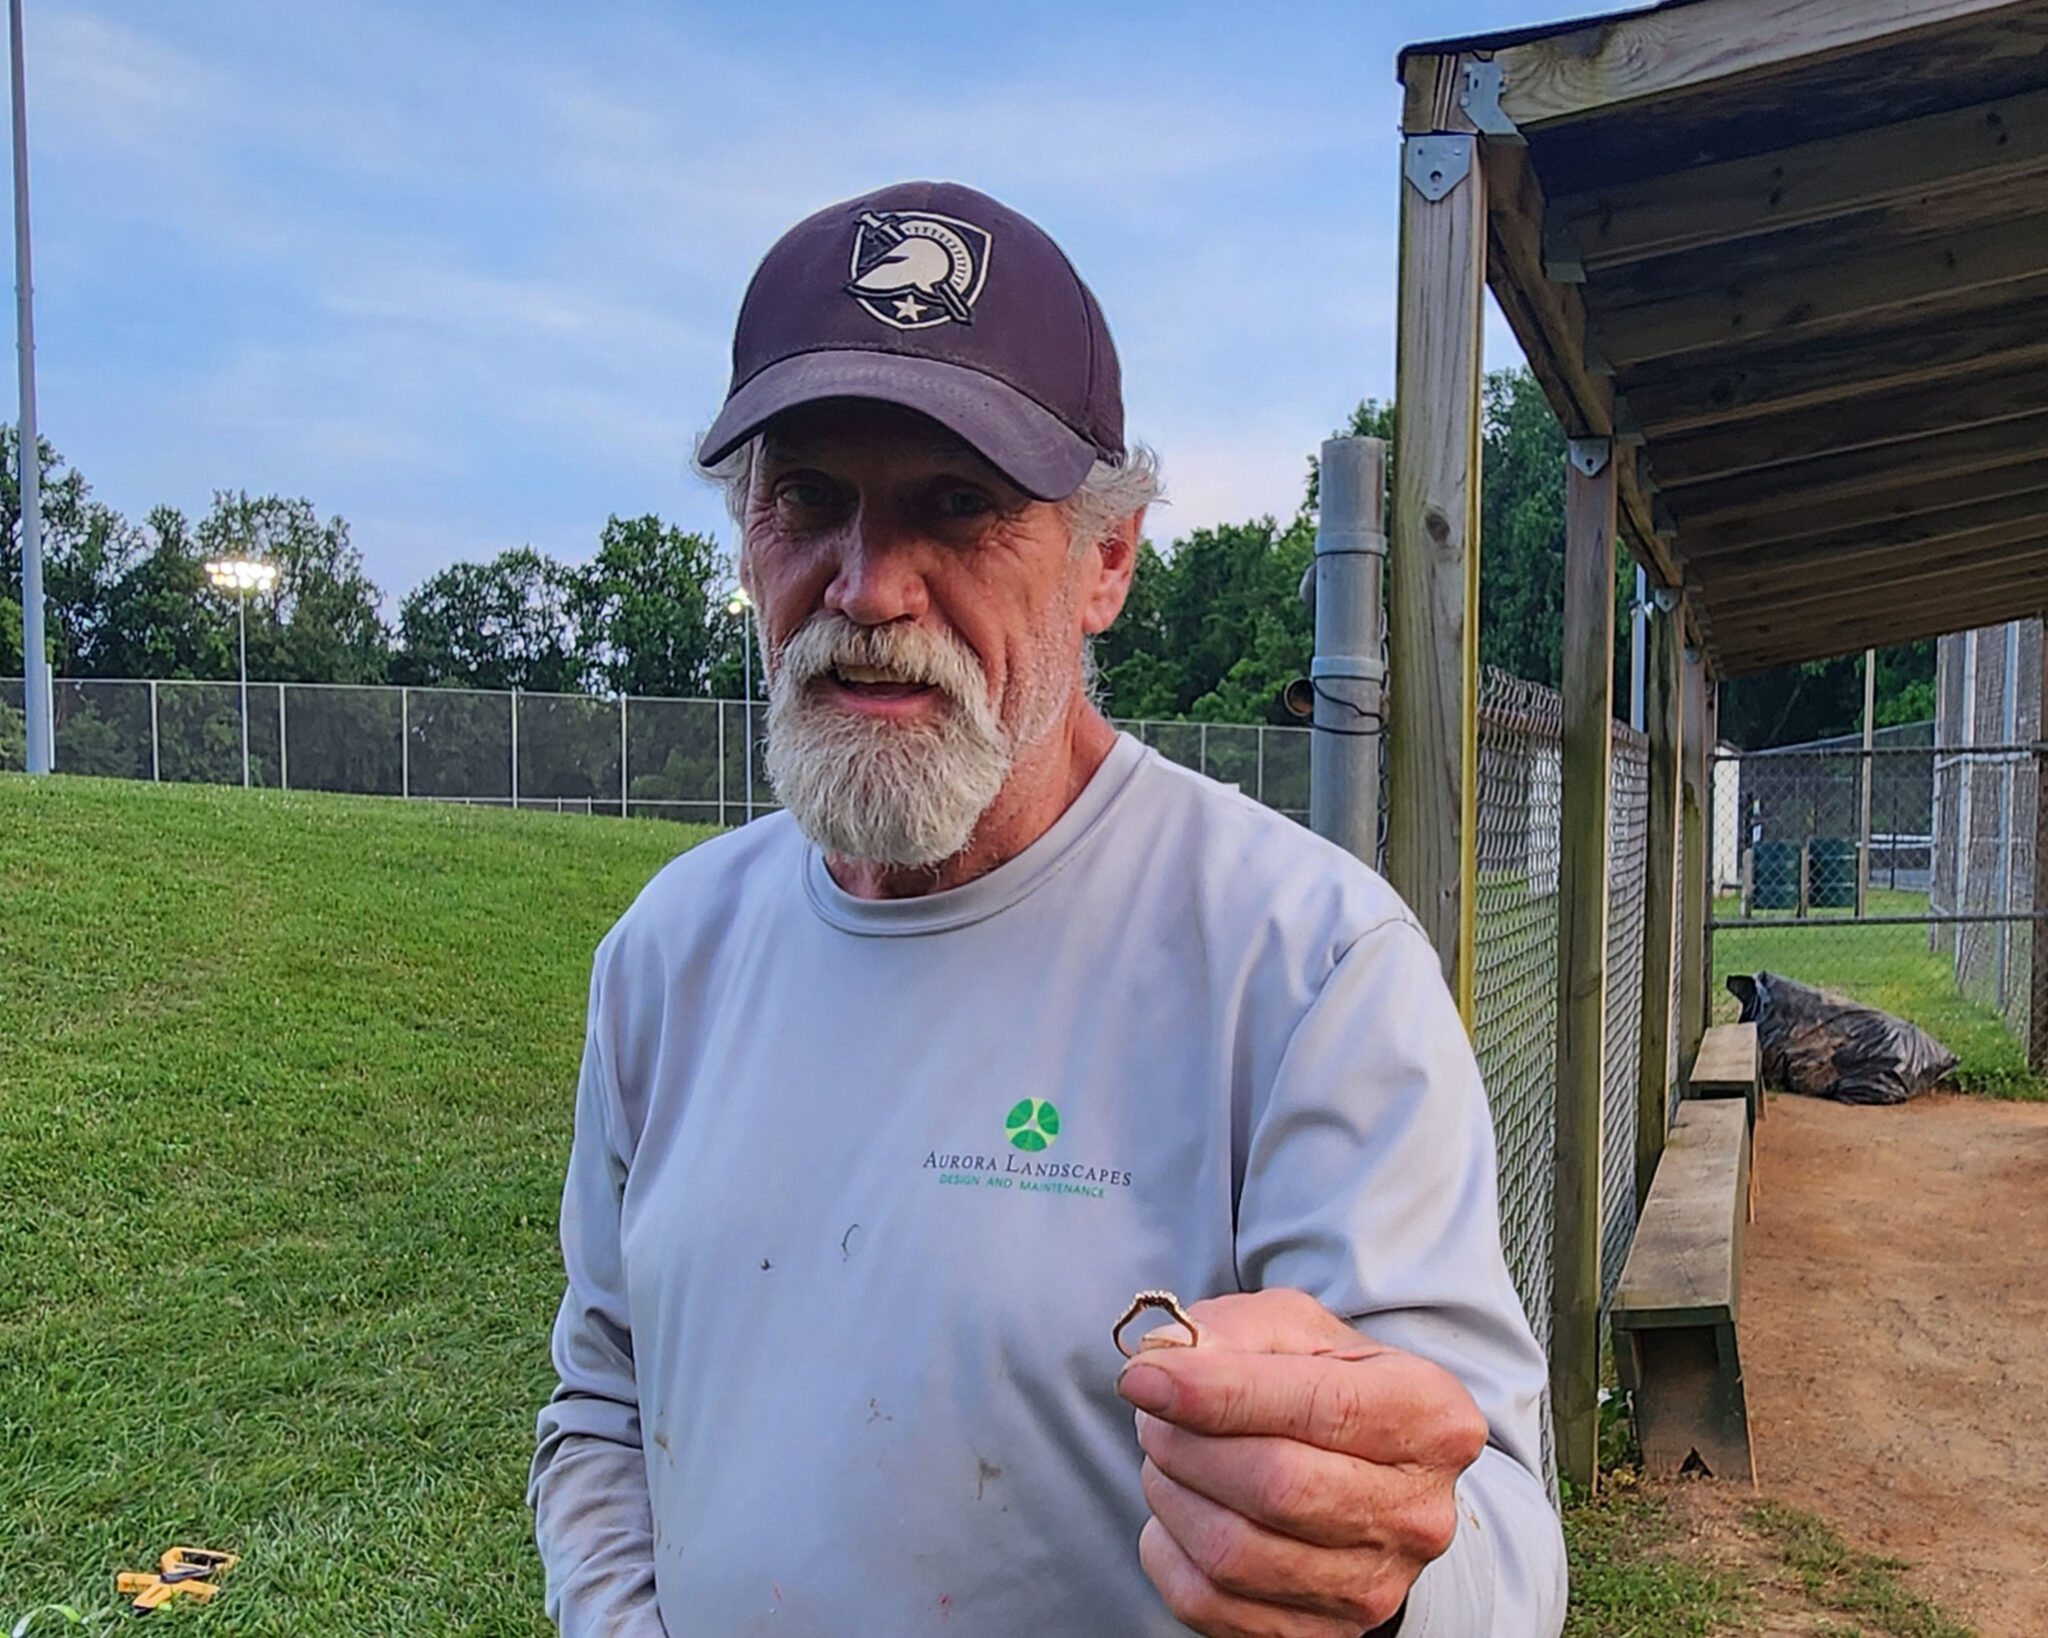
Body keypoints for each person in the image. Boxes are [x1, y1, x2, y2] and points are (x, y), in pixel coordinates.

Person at [529, 179, 1567, 1638]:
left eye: (960, 507)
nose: (872, 587)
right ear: (747, 535)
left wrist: (1381, 1569)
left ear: (1111, 558)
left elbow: (1504, 1549)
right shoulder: (666, 959)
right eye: (810, 499)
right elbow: (602, 1395)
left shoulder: (1304, 968)